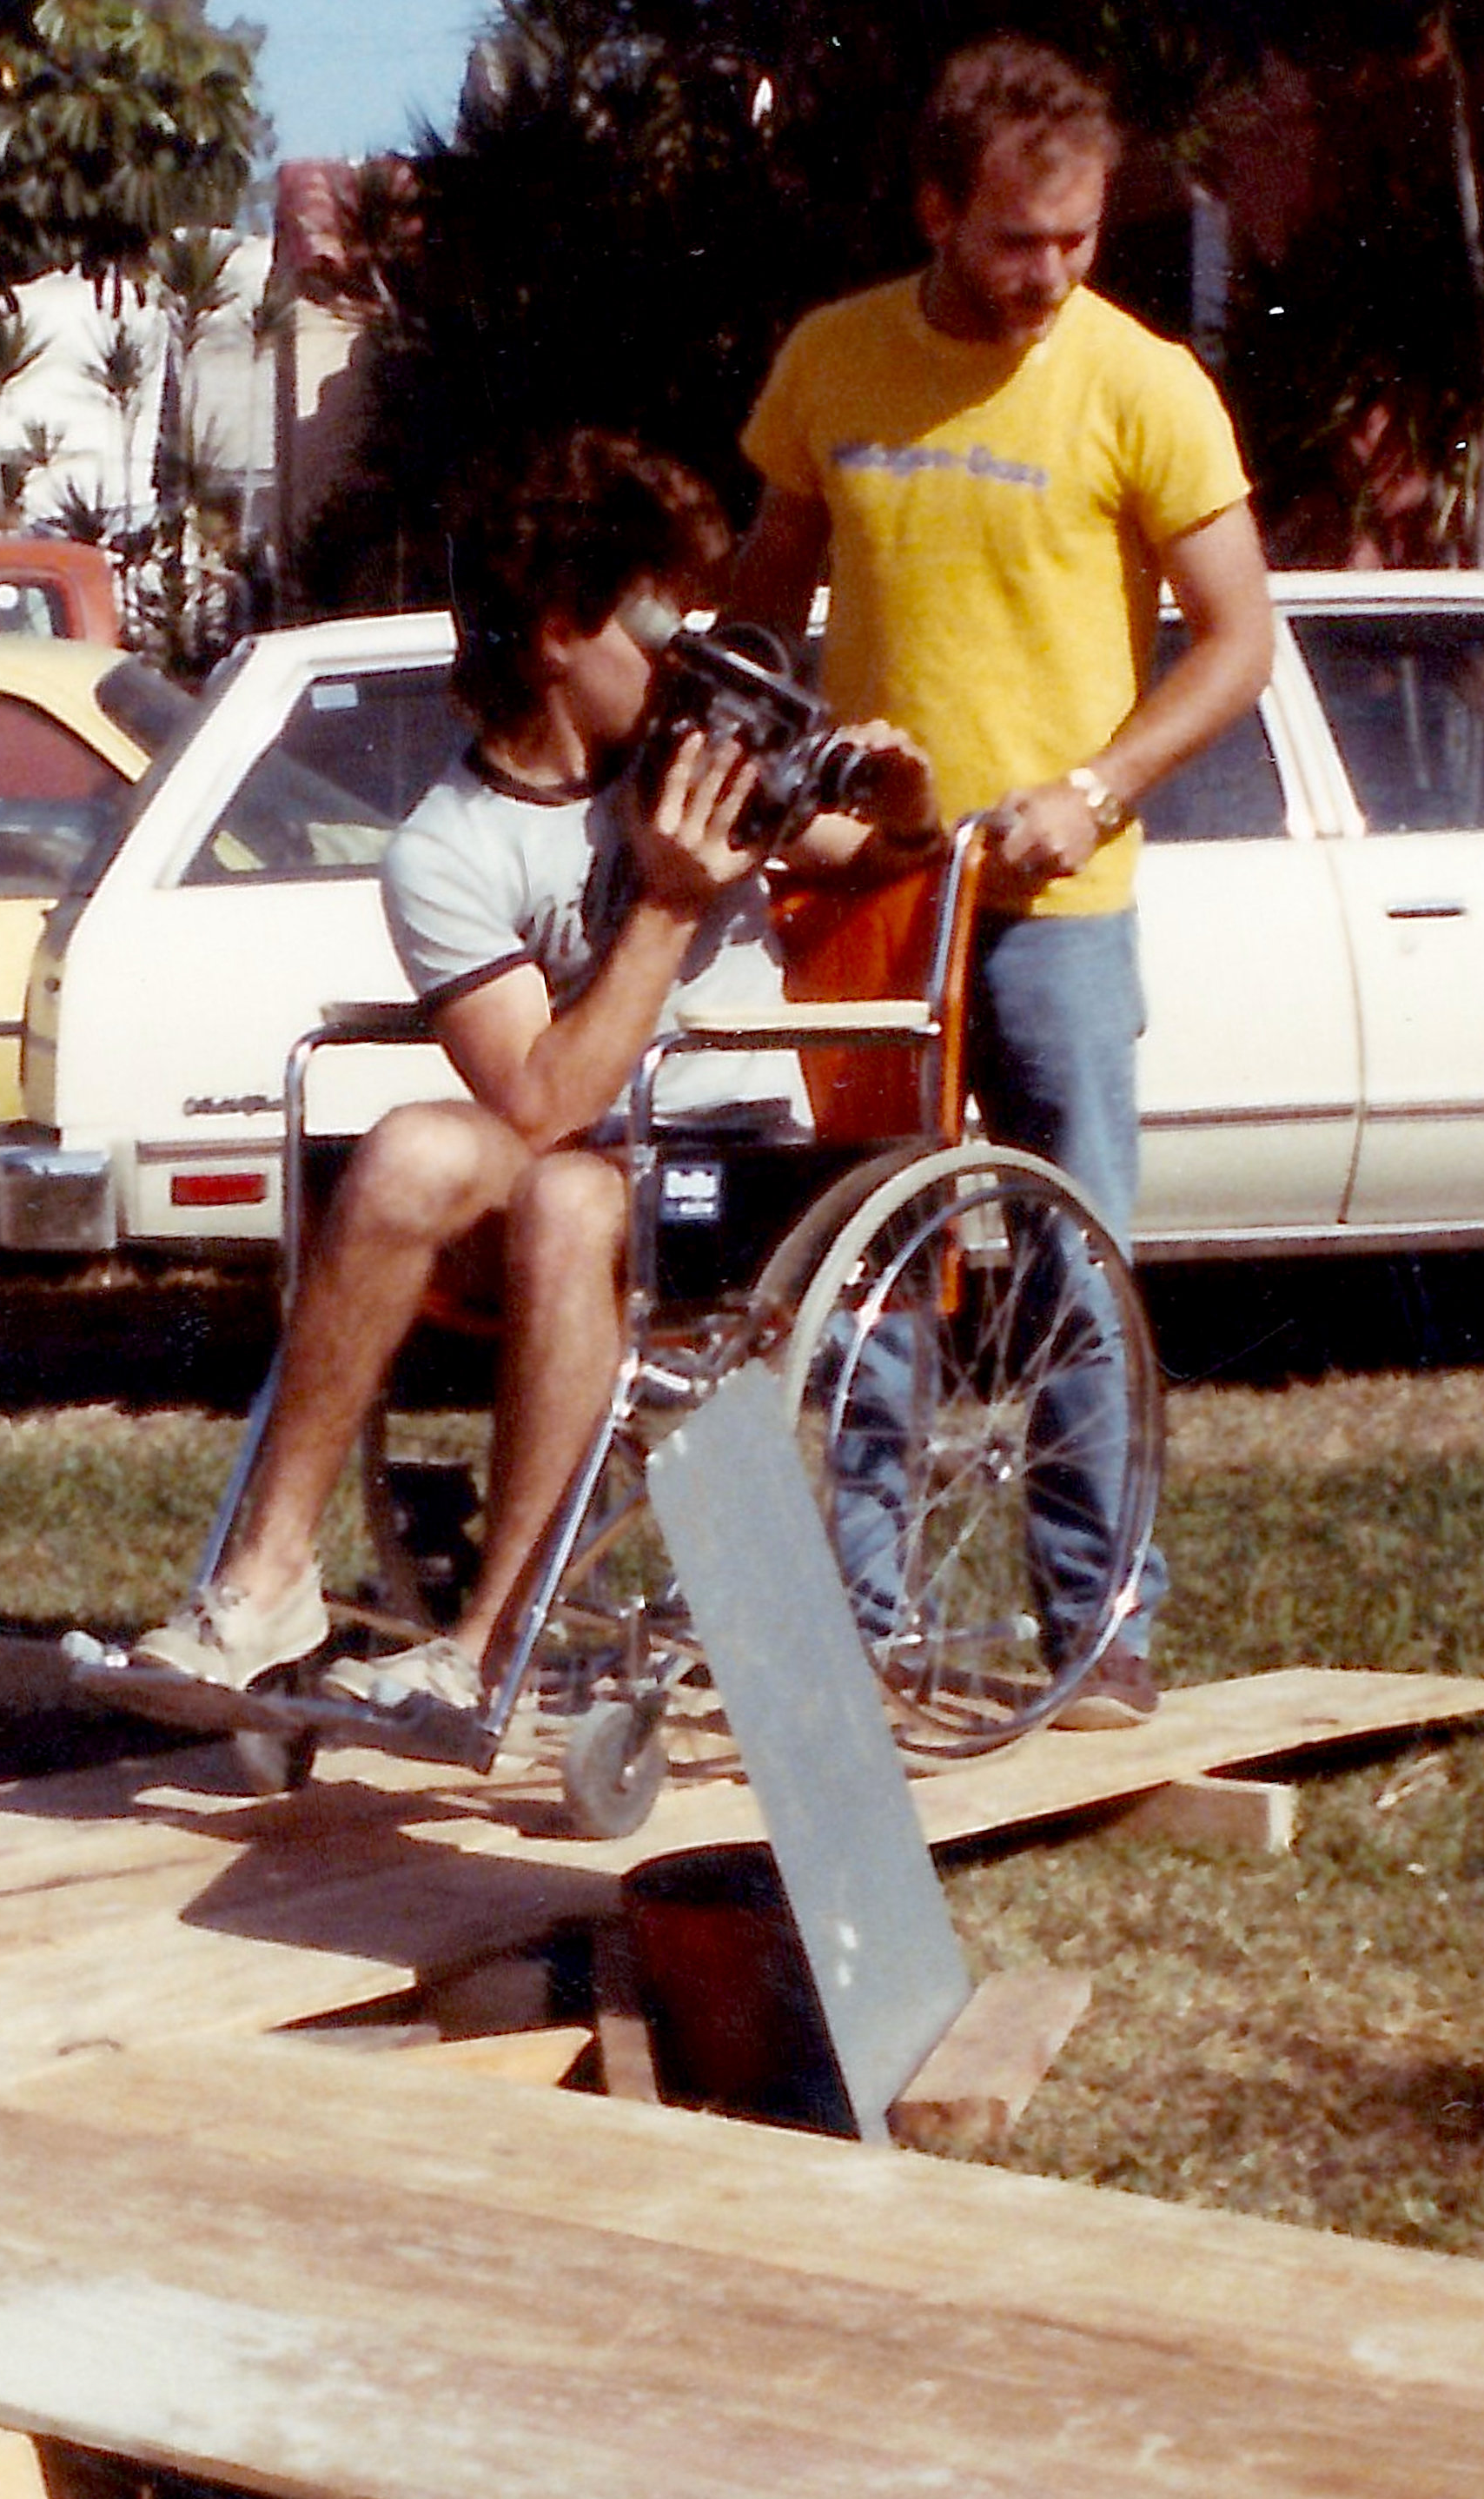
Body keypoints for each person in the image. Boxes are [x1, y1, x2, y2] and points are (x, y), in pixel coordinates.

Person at [128, 432, 924, 1727]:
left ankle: (492, 1641)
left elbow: (883, 845)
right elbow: (540, 1100)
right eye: (662, 625)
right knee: (412, 1150)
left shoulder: (701, 763)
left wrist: (905, 796)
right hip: (584, 1165)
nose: (690, 658)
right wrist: (666, 907)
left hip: (734, 1183)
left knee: (562, 1197)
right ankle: (262, 1581)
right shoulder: (444, 850)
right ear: (559, 629)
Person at [724, 36, 1270, 1727]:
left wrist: (1095, 786)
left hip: (1057, 915)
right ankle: (864, 1632)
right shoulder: (831, 361)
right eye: (1018, 241)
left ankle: (1097, 1625)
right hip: (884, 903)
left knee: (1074, 1271)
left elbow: (1238, 639)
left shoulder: (1140, 383)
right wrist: (742, 760)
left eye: (1079, 241)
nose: (1049, 275)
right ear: (936, 210)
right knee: (873, 1275)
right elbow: (756, 605)